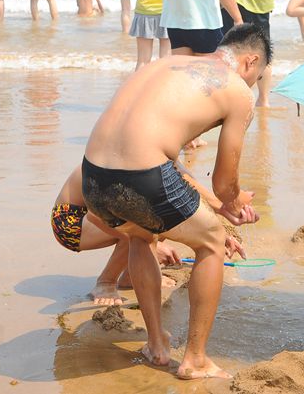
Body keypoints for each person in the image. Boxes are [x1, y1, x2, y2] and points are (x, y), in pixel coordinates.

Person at [81, 24, 270, 379]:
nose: (252, 87)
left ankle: (156, 345)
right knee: (212, 240)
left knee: (141, 234)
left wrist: (222, 200)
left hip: (91, 178)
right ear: (251, 61)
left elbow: (158, 147)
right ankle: (195, 359)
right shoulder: (235, 89)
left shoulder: (166, 63)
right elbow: (224, 181)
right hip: (141, 174)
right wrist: (234, 201)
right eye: (256, 78)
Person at [52, 157, 246, 305]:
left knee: (153, 220)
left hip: (96, 214)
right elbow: (97, 216)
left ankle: (130, 277)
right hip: (71, 221)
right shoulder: (132, 160)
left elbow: (187, 197)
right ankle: (105, 283)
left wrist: (218, 232)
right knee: (143, 226)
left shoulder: (165, 159)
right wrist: (149, 242)